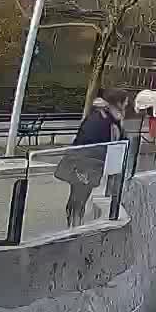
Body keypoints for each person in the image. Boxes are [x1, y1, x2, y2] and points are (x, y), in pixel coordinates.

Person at [57, 90, 123, 226]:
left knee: (78, 196)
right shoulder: (104, 119)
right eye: (125, 103)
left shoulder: (102, 116)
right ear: (118, 103)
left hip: (84, 162)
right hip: (86, 164)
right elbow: (99, 142)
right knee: (79, 197)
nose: (127, 106)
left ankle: (74, 224)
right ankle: (74, 226)